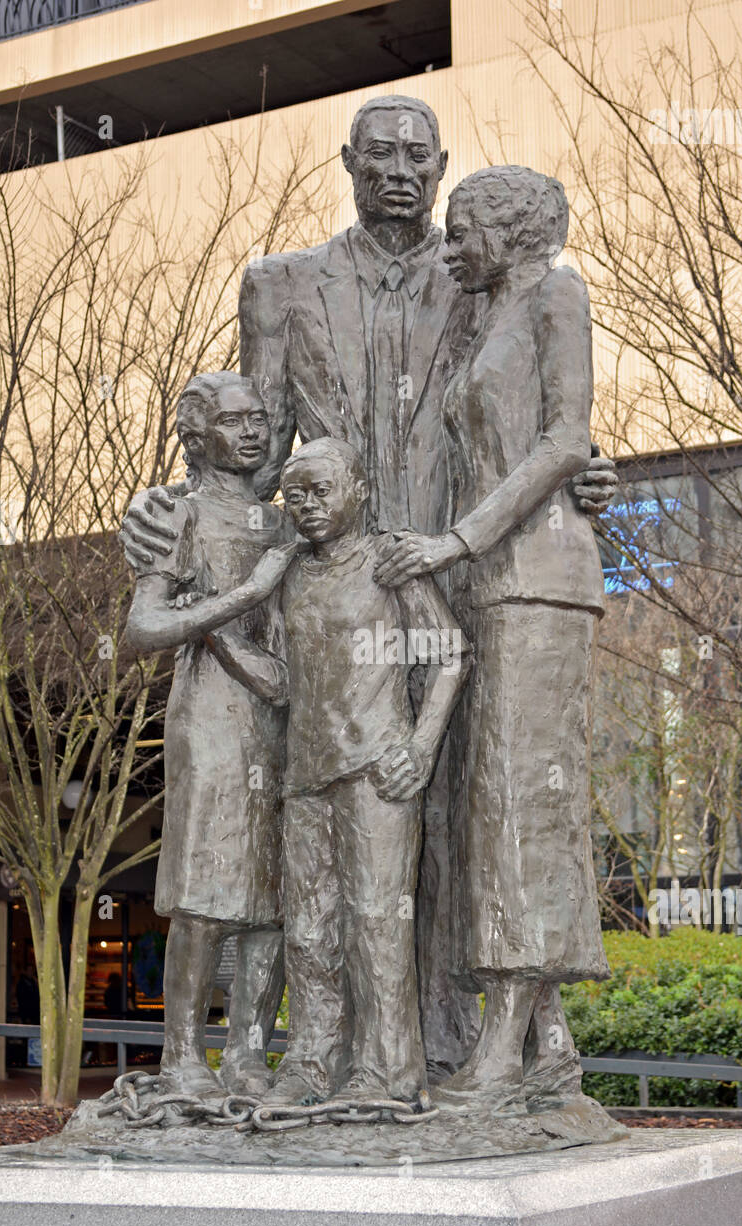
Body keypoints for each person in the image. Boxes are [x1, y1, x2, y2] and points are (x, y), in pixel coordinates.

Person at [120, 96, 617, 1079]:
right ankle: (335, 1047)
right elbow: (251, 452)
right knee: (332, 826)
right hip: (335, 581)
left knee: (482, 799)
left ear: (441, 168)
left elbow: (542, 420)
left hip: (464, 569)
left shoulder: (486, 272)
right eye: (378, 153)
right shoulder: (281, 285)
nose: (398, 169)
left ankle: (482, 1036)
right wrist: (169, 504)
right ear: (347, 160)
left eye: (417, 156)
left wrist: (591, 471)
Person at [375, 167, 611, 1104]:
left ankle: (502, 1043)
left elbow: (565, 442)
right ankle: (549, 1047)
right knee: (494, 809)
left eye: (462, 226)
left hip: (539, 583)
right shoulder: (481, 317)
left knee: (520, 807)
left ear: (508, 229)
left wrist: (457, 540)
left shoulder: (557, 291)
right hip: (487, 587)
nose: (448, 243)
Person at [249, 437, 469, 1104]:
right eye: (296, 495)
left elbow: (450, 654)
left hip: (378, 770)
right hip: (306, 775)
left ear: (359, 491)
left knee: (376, 921)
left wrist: (422, 748)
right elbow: (282, 682)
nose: (306, 506)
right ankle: (313, 1065)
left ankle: (388, 1071)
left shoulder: (390, 563)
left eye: (320, 490)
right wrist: (211, 633)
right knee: (311, 930)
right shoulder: (286, 575)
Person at [124, 372, 302, 1097]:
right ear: (197, 439)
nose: (254, 432)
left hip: (284, 716)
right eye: (234, 422)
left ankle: (249, 1054)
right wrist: (242, 597)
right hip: (211, 718)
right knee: (205, 891)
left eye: (260, 419)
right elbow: (143, 627)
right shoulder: (180, 516)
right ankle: (180, 1059)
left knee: (272, 896)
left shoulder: (289, 520)